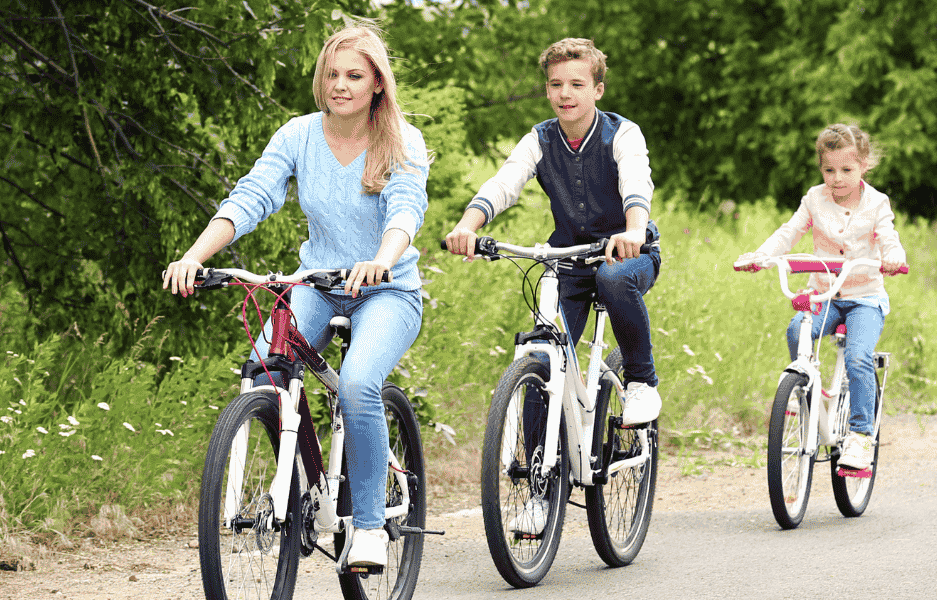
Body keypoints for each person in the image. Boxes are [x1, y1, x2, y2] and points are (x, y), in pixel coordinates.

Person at [161, 20, 428, 568]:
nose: (341, 85)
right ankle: (299, 488)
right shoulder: (298, 134)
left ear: (378, 82)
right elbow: (253, 195)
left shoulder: (400, 140)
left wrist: (381, 260)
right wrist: (195, 256)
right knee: (263, 372)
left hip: (387, 290)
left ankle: (372, 525)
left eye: (355, 74)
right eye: (332, 74)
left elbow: (405, 210)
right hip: (318, 284)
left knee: (356, 384)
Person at [443, 37, 660, 535]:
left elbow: (636, 184)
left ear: (597, 89)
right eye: (557, 85)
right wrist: (467, 226)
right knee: (542, 355)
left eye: (577, 85)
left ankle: (641, 382)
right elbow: (504, 184)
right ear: (547, 90)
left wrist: (632, 229)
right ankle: (539, 493)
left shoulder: (623, 135)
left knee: (613, 278)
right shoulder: (540, 139)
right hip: (566, 259)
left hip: (626, 254)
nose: (567, 94)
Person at [737, 123, 908, 472]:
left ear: (863, 166)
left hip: (864, 299)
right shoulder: (814, 199)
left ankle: (860, 436)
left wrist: (895, 258)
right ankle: (806, 392)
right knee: (796, 328)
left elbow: (888, 236)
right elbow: (790, 232)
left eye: (847, 169)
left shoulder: (876, 203)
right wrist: (761, 256)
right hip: (825, 295)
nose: (837, 178)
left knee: (859, 358)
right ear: (821, 169)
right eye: (829, 170)